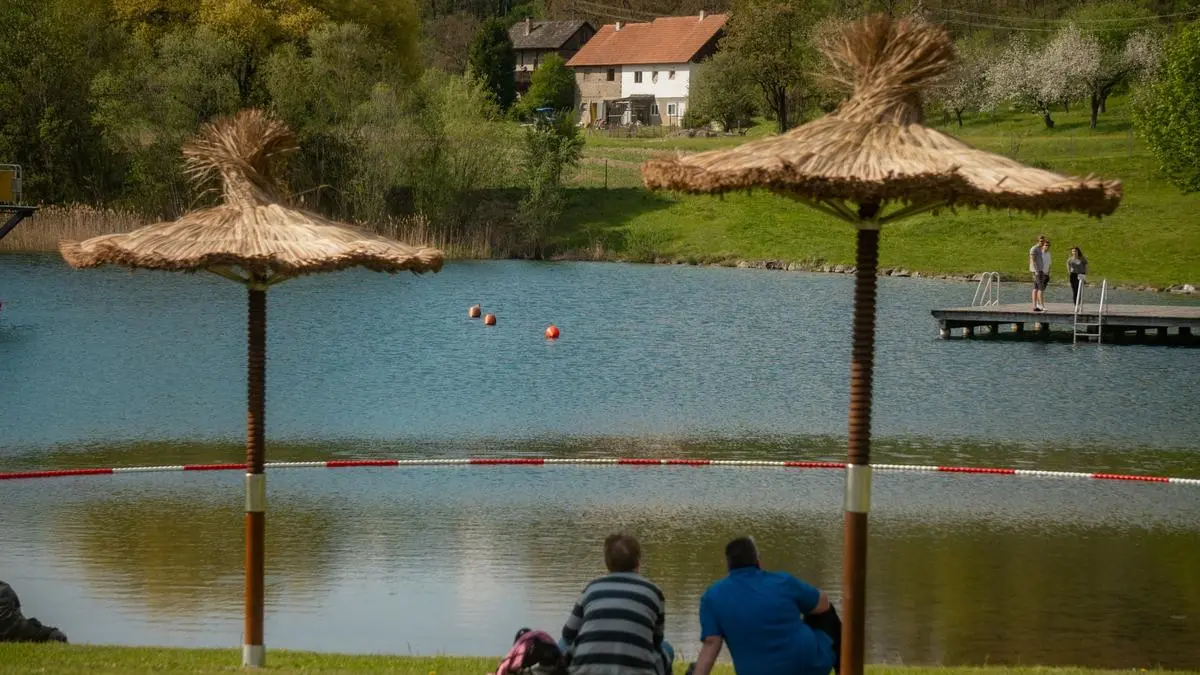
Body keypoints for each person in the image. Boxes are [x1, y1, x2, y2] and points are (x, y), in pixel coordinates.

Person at [688, 537, 836, 675]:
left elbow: (711, 644)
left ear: (728, 564)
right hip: (808, 667)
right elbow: (823, 604)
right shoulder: (783, 581)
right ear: (758, 561)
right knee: (825, 613)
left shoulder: (711, 597)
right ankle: (848, 667)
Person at [560, 533, 673, 675]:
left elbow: (568, 634)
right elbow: (657, 639)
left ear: (608, 564)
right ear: (638, 563)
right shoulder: (654, 592)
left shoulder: (591, 589)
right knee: (667, 649)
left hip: (585, 671)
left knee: (562, 643)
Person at [0, 580, 68, 643]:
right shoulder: (6, 589)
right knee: (56, 635)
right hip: (16, 628)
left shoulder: (5, 589)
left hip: (14, 627)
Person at [1029, 236, 1051, 311]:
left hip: (1040, 270)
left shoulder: (1040, 249)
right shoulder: (1034, 249)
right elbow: (1033, 260)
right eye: (1041, 241)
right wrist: (1036, 271)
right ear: (1037, 241)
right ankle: (1042, 305)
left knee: (1035, 288)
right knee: (1041, 288)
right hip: (1037, 271)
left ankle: (1035, 306)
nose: (1042, 242)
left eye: (1043, 241)